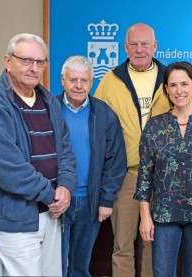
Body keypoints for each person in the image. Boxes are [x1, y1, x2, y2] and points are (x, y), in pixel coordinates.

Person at [0, 33, 77, 276]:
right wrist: (52, 195)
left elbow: (66, 151)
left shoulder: (49, 100)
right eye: (26, 60)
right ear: (7, 61)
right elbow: (7, 168)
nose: (34, 68)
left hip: (50, 212)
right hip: (13, 217)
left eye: (40, 62)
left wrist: (66, 188)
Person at [134, 61, 192, 276]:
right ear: (167, 89)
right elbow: (145, 174)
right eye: (173, 85)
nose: (179, 91)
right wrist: (145, 216)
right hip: (164, 215)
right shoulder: (155, 126)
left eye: (184, 84)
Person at [94, 22, 171, 276]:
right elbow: (97, 125)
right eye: (134, 44)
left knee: (154, 243)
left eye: (145, 44)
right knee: (122, 245)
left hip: (161, 177)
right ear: (125, 47)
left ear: (154, 46)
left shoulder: (170, 78)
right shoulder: (110, 79)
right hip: (125, 174)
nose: (139, 49)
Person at [57, 56, 127, 277]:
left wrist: (106, 200)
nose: (79, 85)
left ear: (92, 82)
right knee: (55, 265)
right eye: (73, 79)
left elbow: (115, 160)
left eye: (84, 80)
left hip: (91, 202)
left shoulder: (104, 113)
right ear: (63, 80)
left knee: (80, 265)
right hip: (57, 201)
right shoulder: (50, 110)